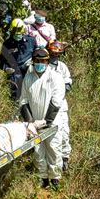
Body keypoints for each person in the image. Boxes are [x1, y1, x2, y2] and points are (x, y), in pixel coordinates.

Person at [19, 48, 65, 188]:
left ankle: (55, 178)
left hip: (51, 121)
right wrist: (30, 122)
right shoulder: (28, 77)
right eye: (37, 61)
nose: (40, 63)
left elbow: (56, 102)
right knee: (38, 152)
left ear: (47, 62)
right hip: (35, 123)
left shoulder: (55, 77)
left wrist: (46, 121)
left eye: (43, 61)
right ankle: (43, 178)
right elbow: (23, 101)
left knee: (54, 150)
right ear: (33, 62)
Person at [47, 41, 72, 172]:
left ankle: (65, 159)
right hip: (46, 105)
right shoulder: (44, 65)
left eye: (57, 54)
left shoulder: (62, 67)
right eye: (53, 53)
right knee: (50, 136)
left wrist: (60, 91)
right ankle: (51, 164)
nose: (54, 56)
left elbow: (68, 83)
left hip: (61, 106)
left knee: (64, 133)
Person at [0, 18, 37, 100]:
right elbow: (1, 61)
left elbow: (38, 55)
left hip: (29, 73)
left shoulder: (31, 41)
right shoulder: (7, 44)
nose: (17, 35)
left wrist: (32, 62)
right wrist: (6, 68)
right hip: (14, 76)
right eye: (15, 32)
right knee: (15, 98)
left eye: (19, 32)